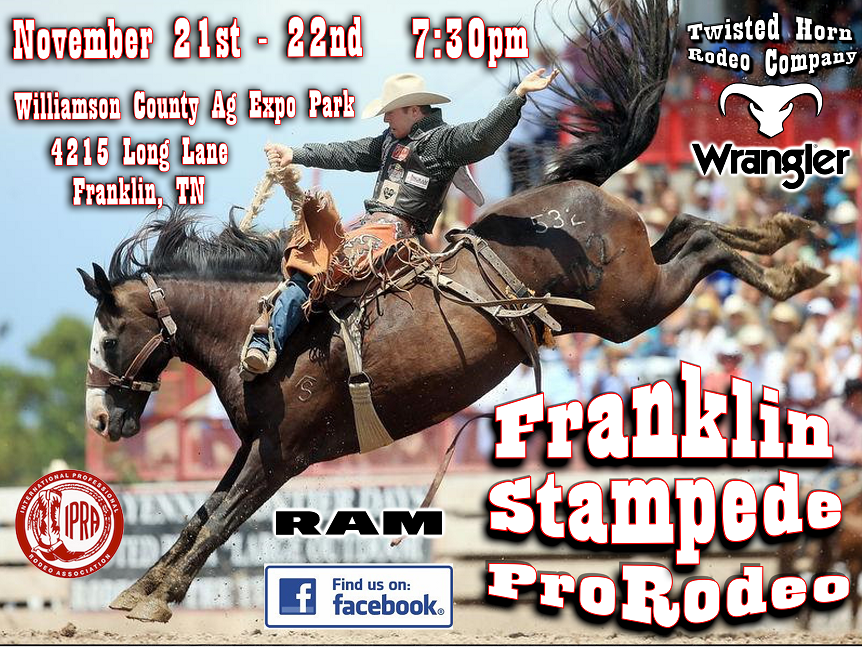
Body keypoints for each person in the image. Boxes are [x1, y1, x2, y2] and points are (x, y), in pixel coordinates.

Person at [242, 69, 559, 376]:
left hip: (392, 236)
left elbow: (482, 136)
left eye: (390, 112)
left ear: (413, 110)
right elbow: (348, 152)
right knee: (305, 258)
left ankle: (265, 342)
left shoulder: (443, 142)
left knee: (314, 267)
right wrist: (295, 153)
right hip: (369, 231)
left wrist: (517, 95)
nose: (385, 119)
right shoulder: (388, 141)